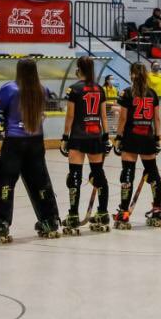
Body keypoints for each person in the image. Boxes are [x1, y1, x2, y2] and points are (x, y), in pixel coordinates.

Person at [0, 58, 61, 241]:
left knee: (6, 182)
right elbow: (48, 110)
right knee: (40, 181)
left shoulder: (9, 88)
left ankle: (1, 223)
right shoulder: (42, 89)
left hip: (14, 141)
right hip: (36, 141)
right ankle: (49, 219)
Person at [60, 57, 111, 235]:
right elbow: (104, 116)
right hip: (95, 135)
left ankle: (73, 215)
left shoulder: (74, 89)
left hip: (78, 136)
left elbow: (70, 116)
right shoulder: (100, 89)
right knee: (98, 174)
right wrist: (106, 137)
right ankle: (103, 212)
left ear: (78, 69)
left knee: (75, 174)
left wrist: (64, 137)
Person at [113, 63, 161, 229]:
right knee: (153, 173)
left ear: (131, 75)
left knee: (128, 173)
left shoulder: (127, 93)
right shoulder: (152, 93)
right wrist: (158, 138)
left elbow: (123, 118)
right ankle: (157, 209)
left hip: (131, 137)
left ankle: (124, 211)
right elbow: (157, 118)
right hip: (147, 136)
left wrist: (118, 137)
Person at [146, 60, 161, 136]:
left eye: (158, 65)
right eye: (155, 65)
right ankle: (153, 131)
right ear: (151, 66)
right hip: (152, 98)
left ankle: (160, 132)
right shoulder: (148, 76)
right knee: (153, 116)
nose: (157, 67)